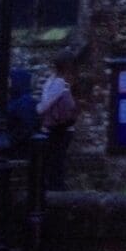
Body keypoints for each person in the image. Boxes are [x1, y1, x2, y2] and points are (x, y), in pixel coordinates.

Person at [37, 53, 78, 189]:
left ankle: (55, 188)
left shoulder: (54, 82)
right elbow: (47, 104)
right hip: (61, 128)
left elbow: (46, 104)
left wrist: (38, 110)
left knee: (55, 159)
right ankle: (57, 188)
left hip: (58, 127)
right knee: (57, 160)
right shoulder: (60, 83)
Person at [5, 67, 39, 157]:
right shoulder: (14, 100)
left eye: (10, 80)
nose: (8, 84)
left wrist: (10, 141)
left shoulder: (25, 102)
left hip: (20, 149)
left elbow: (26, 128)